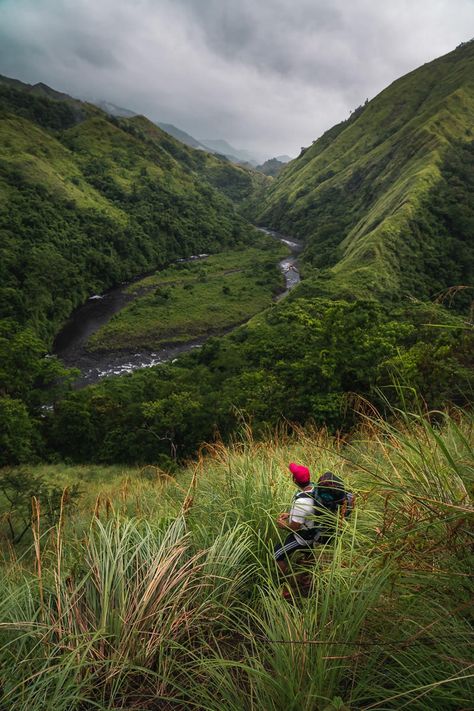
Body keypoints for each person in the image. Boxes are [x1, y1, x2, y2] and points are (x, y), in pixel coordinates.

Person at [274, 462, 352, 575]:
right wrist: (290, 515)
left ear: (294, 480)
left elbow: (295, 527)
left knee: (277, 554)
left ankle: (291, 581)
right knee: (308, 554)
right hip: (314, 531)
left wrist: (282, 524)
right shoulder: (315, 490)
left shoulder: (301, 502)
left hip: (303, 537)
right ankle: (312, 575)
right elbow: (310, 511)